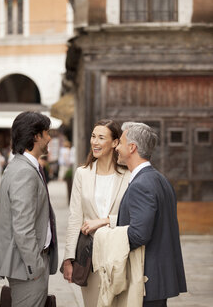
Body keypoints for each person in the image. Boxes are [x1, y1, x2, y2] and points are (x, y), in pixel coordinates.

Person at [116, 122, 187, 307]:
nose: (116, 147)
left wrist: (106, 238)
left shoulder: (142, 184)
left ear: (132, 148)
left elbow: (139, 234)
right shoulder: (159, 179)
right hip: (156, 278)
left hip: (147, 279)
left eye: (121, 142)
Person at [63, 119, 130, 307]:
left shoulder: (129, 176)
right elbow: (75, 218)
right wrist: (68, 259)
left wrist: (106, 220)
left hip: (120, 257)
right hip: (89, 258)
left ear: (115, 143)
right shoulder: (82, 173)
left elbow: (133, 217)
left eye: (101, 138)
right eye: (93, 136)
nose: (95, 142)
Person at [0, 111, 58, 307]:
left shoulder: (24, 167)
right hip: (27, 268)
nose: (49, 138)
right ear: (36, 136)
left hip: (28, 265)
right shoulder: (24, 171)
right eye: (47, 133)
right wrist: (36, 267)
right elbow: (23, 227)